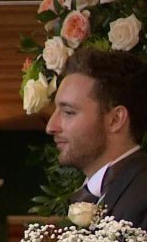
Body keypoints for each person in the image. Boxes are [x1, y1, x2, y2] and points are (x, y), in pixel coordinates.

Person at [48, 48, 147, 229]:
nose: (51, 127)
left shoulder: (142, 194)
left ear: (115, 119)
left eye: (69, 112)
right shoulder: (95, 193)